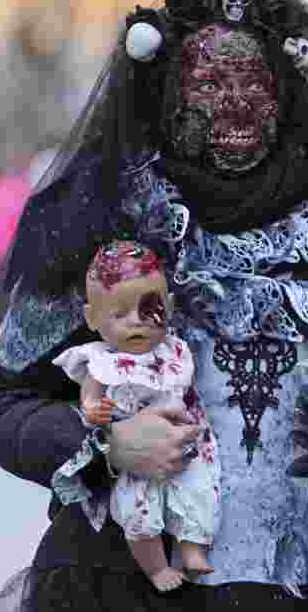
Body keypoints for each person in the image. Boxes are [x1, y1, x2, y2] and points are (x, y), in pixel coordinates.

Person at [0, 0, 308, 612]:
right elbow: (10, 405)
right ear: (167, 96)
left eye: (255, 82)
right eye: (211, 82)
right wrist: (106, 443)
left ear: (287, 96)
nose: (236, 103)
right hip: (122, 611)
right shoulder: (101, 225)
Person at [53, 239, 218, 592]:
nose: (136, 324)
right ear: (92, 318)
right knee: (139, 511)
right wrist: (93, 409)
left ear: (169, 307)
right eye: (119, 314)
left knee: (199, 490)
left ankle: (192, 549)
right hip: (135, 447)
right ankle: (156, 567)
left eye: (149, 310)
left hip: (185, 441)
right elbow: (90, 394)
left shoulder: (174, 348)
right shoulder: (103, 361)